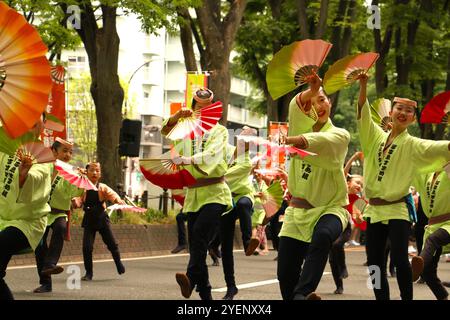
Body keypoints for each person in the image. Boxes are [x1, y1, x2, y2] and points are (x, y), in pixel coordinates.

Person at [356, 73, 450, 300]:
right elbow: (363, 116)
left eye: (409, 111)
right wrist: (363, 85)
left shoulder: (413, 145)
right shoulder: (375, 137)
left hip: (398, 208)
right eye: (399, 108)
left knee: (399, 259)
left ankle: (406, 297)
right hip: (374, 209)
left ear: (413, 119)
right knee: (375, 263)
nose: (403, 113)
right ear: (391, 112)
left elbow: (440, 147)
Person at [277, 74, 350, 300]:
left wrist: (292, 141)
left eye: (323, 99)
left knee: (322, 236)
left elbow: (322, 143)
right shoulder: (300, 122)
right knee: (285, 275)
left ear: (330, 104)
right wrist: (312, 89)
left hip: (330, 209)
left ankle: (303, 294)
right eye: (315, 100)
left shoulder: (340, 135)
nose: (320, 104)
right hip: (297, 212)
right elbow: (295, 105)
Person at [162, 88, 233, 300]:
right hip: (193, 195)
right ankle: (206, 295)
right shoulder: (186, 130)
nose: (201, 111)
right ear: (192, 108)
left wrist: (188, 160)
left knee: (201, 234)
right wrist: (175, 117)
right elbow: (166, 132)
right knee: (197, 248)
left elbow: (212, 154)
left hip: (215, 192)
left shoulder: (219, 131)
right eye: (197, 108)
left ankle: (191, 279)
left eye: (206, 108)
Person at [0, 115, 53, 300]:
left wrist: (25, 176)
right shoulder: (5, 144)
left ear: (42, 126)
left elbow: (39, 183)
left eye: (35, 119)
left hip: (27, 222)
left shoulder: (43, 155)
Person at [33, 138, 85, 293]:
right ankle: (46, 282)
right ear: (54, 151)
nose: (68, 155)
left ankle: (50, 264)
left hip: (58, 212)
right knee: (39, 247)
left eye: (70, 152)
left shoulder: (71, 172)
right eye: (64, 151)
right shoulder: (43, 166)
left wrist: (79, 182)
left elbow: (72, 193)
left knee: (60, 228)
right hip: (41, 212)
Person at [73, 162, 126, 281]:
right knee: (87, 247)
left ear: (100, 174)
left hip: (102, 218)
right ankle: (89, 273)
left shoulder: (102, 187)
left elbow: (112, 194)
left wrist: (118, 200)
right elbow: (78, 200)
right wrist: (75, 202)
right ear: (86, 172)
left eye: (97, 170)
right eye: (92, 170)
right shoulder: (82, 188)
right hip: (89, 220)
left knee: (112, 244)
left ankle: (118, 264)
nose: (94, 173)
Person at [411, 166, 450, 300]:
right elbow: (413, 168)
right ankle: (442, 296)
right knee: (427, 272)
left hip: (449, 222)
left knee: (433, 239)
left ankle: (419, 263)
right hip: (433, 224)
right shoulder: (427, 174)